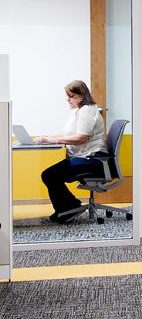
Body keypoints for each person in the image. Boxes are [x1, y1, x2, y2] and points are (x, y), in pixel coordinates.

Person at [36, 80, 108, 223]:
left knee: (50, 175)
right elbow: (67, 133)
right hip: (84, 157)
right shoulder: (78, 111)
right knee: (50, 175)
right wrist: (47, 138)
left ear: (81, 96)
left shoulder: (87, 111)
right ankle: (69, 207)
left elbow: (81, 137)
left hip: (93, 160)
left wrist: (52, 140)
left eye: (71, 96)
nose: (68, 99)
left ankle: (69, 208)